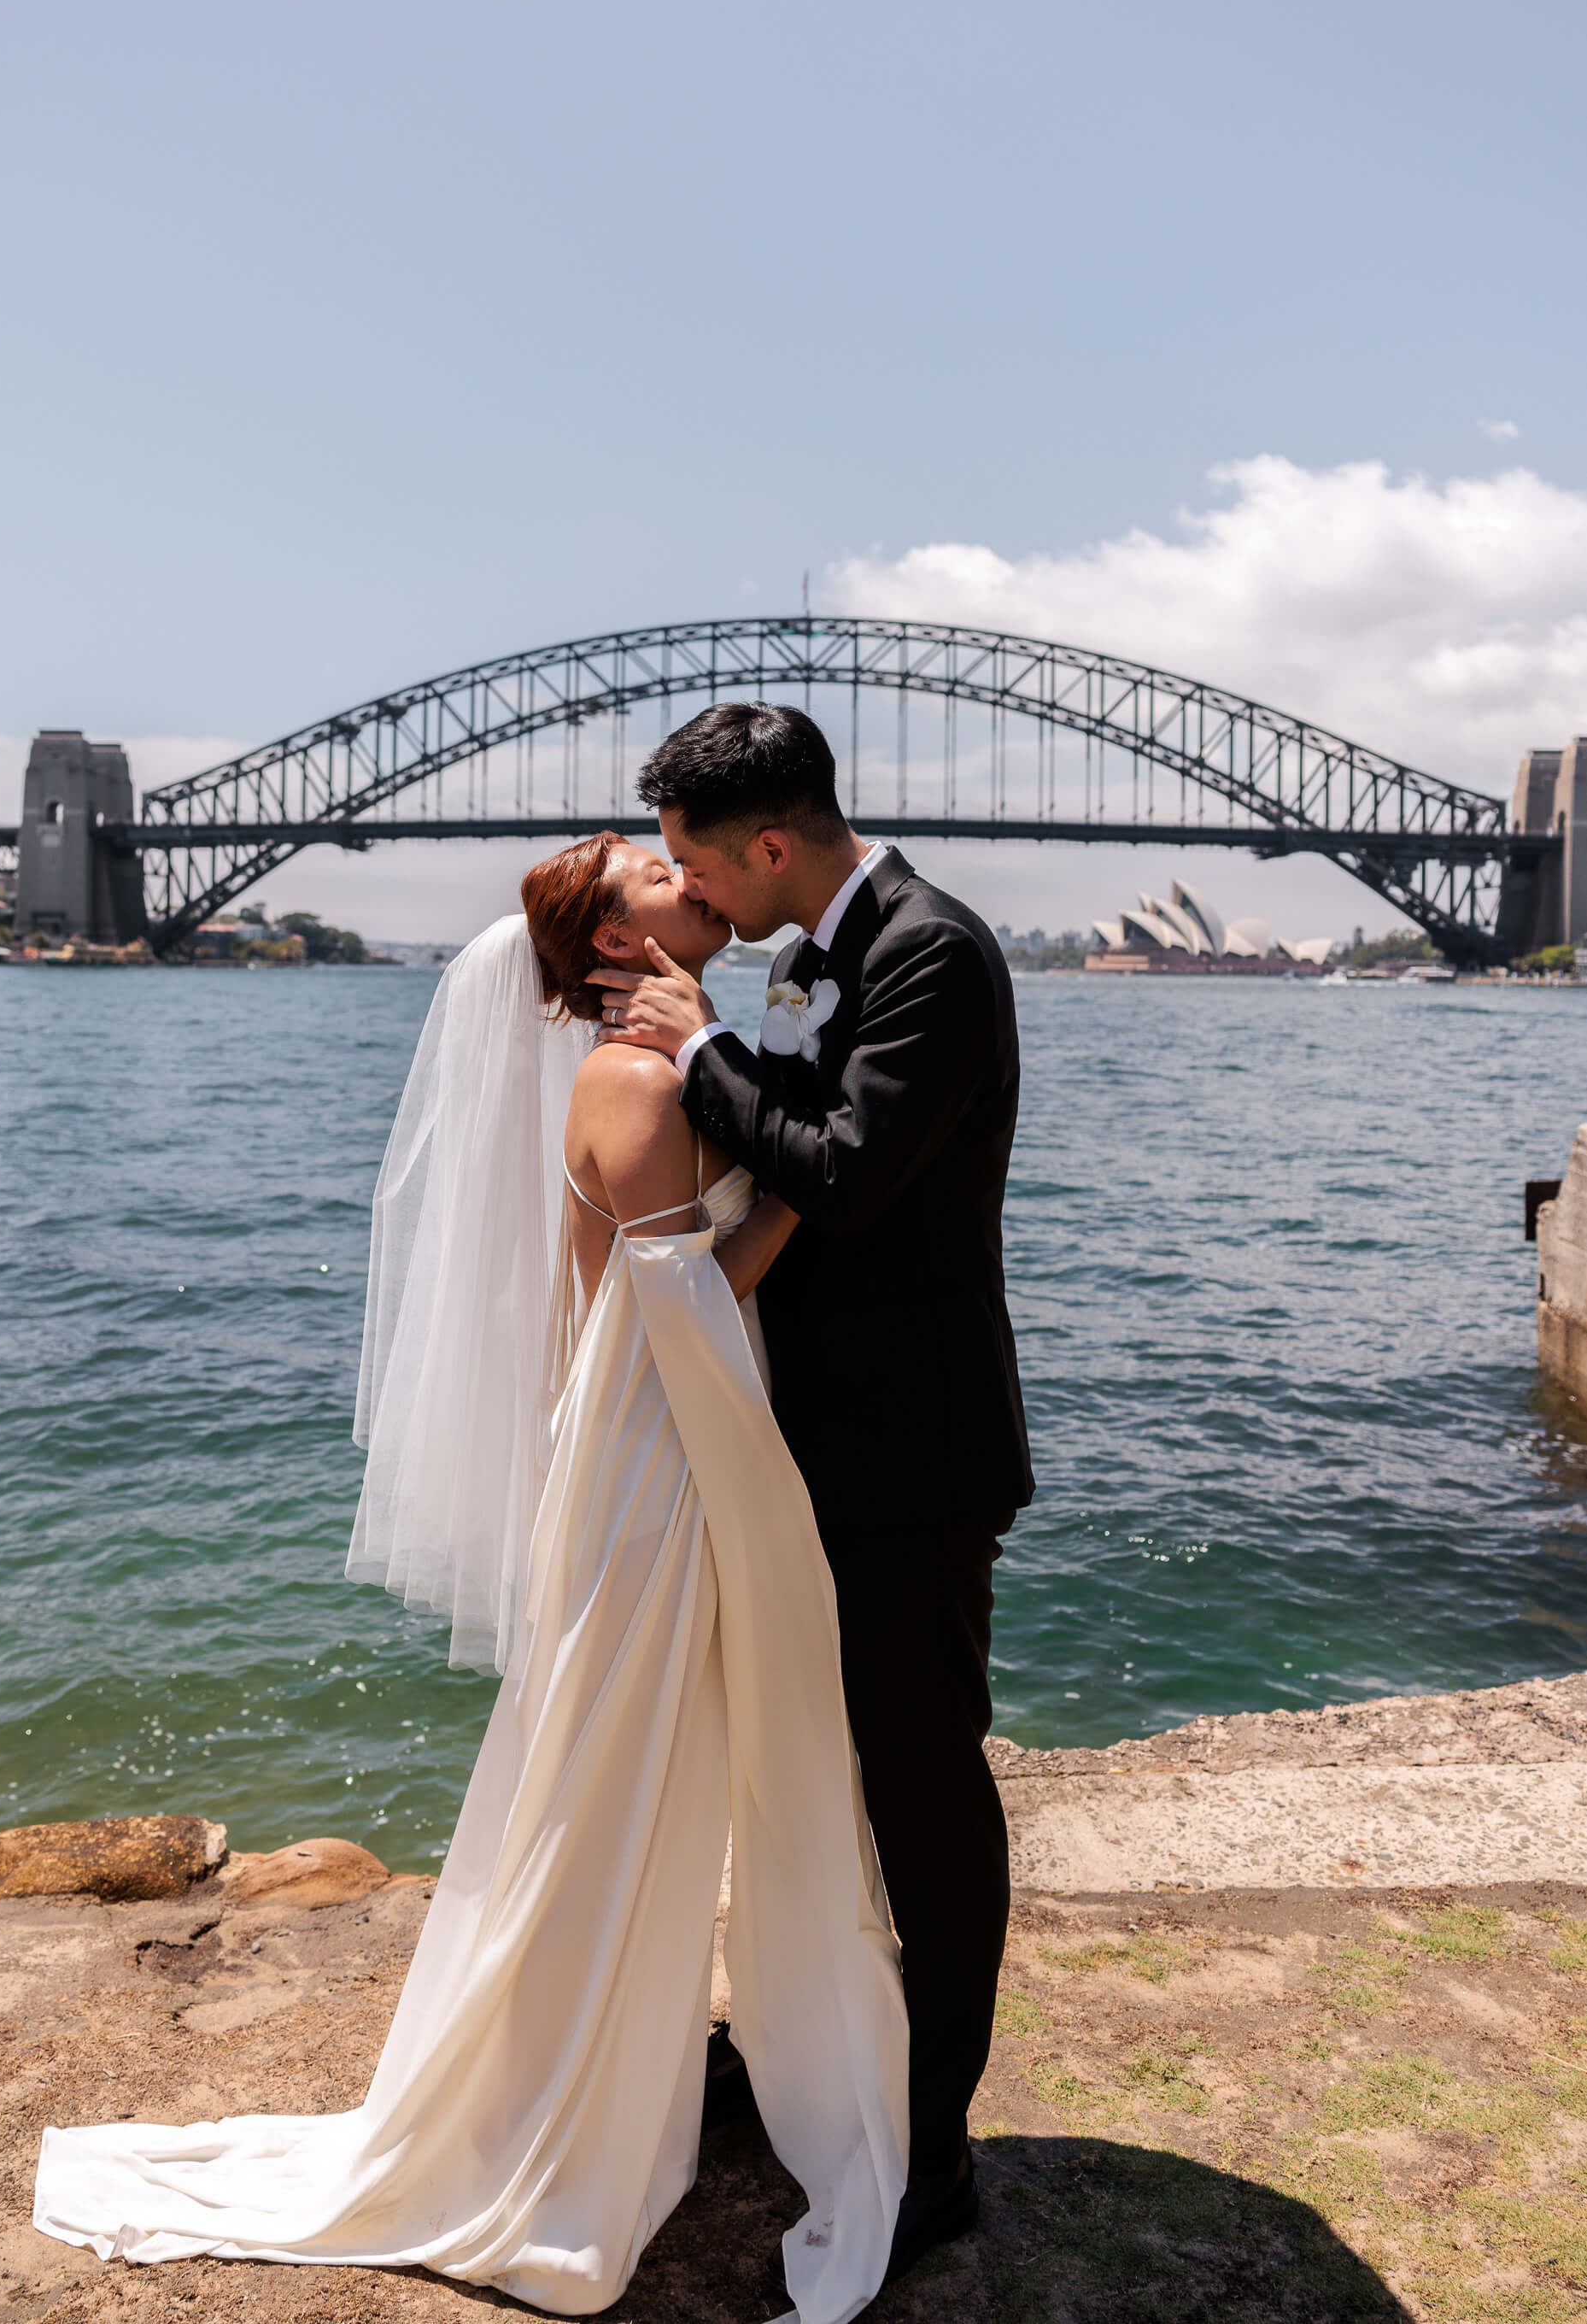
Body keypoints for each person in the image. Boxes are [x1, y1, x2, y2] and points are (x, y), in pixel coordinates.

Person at [33, 833, 908, 2324]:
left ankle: (618, 2070)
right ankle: (554, 2109)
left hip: (662, 1422)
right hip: (667, 1441)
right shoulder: (633, 1079)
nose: (684, 871)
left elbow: (615, 1279)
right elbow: (677, 1286)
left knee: (637, 1754)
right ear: (605, 938)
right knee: (617, 1762)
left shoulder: (666, 1060)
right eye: (650, 868)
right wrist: (815, 1191)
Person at [589, 701, 1030, 2277]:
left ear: (768, 846)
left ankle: (938, 2147)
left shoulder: (933, 953)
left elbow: (840, 1170)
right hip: (800, 1438)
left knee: (922, 1785)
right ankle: (809, 2056)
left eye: (700, 860)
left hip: (910, 1454)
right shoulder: (820, 944)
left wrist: (692, 1044)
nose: (688, 888)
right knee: (804, 1773)